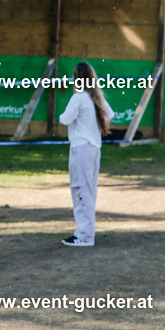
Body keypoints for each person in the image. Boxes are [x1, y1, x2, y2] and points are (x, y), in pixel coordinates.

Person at [58, 61, 114, 248]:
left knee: (81, 190)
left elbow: (65, 119)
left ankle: (85, 234)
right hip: (93, 148)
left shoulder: (79, 98)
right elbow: (109, 115)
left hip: (81, 148)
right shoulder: (95, 97)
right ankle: (85, 232)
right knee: (88, 190)